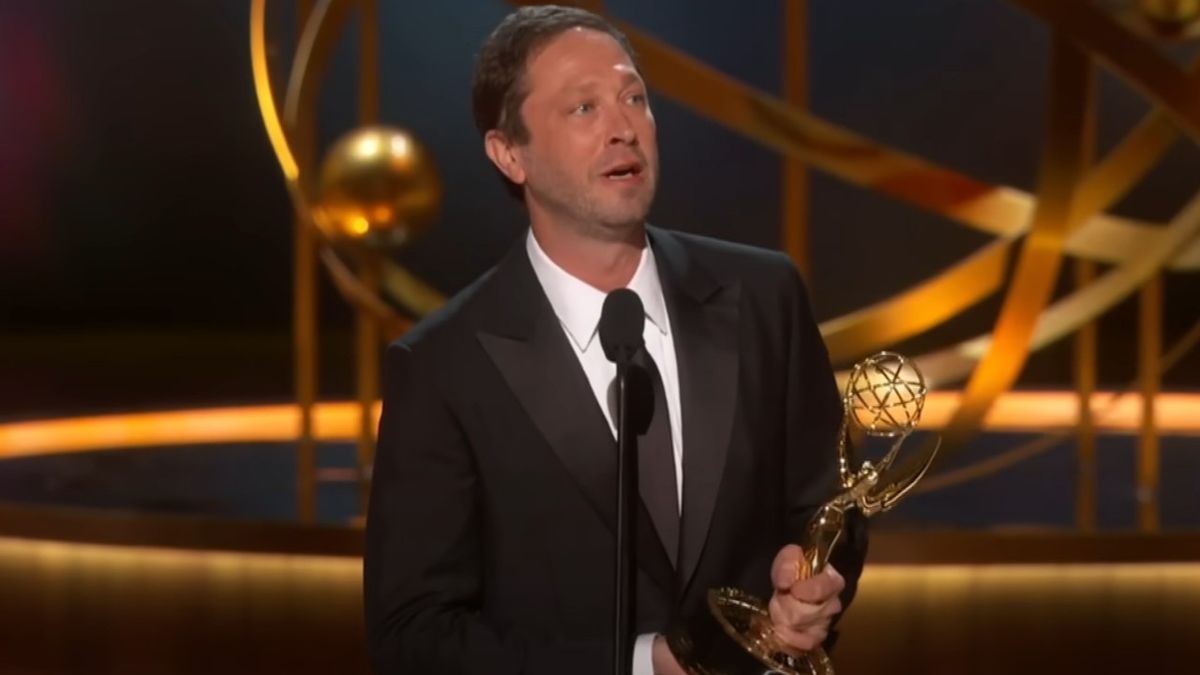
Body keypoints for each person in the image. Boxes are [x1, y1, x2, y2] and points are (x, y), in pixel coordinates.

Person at [364, 5, 866, 674]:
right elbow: (412, 636)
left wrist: (813, 578)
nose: (623, 128)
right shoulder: (444, 365)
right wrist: (638, 663)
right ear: (509, 153)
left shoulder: (763, 298)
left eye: (635, 97)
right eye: (583, 109)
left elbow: (828, 508)